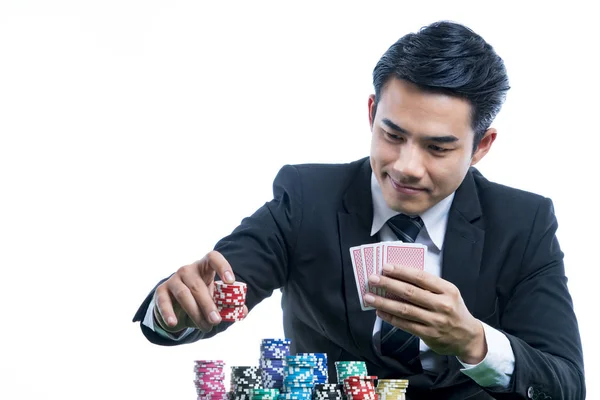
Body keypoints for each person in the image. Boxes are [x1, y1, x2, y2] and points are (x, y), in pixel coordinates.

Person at [132, 21, 585, 399]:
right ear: (371, 114)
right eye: (393, 135)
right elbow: (219, 288)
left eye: (438, 148)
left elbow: (565, 383)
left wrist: (474, 341)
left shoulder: (523, 223)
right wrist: (176, 308)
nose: (407, 167)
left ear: (480, 147)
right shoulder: (307, 196)